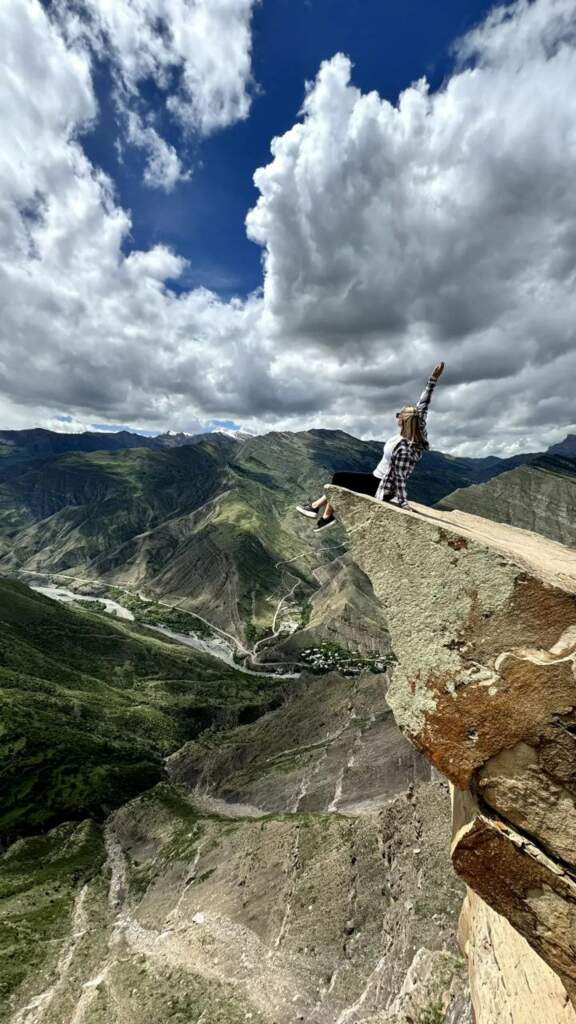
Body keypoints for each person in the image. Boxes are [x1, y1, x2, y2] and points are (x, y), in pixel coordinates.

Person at [296, 362, 445, 530]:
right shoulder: (417, 429)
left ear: (403, 420)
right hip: (376, 477)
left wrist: (404, 504)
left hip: (381, 485)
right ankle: (322, 513)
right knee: (340, 478)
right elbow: (423, 406)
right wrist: (433, 379)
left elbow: (400, 478)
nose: (396, 417)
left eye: (398, 415)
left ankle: (323, 513)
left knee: (339, 478)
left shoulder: (404, 447)